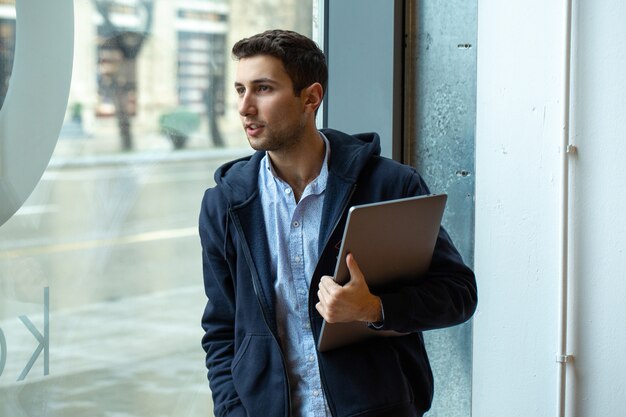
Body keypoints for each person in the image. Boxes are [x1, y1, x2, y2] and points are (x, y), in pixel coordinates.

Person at [199, 29, 477, 417]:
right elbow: (222, 331)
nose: (245, 107)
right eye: (240, 89)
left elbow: (458, 295)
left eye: (262, 89)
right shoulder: (225, 205)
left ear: (310, 98)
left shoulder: (390, 185)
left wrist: (374, 308)